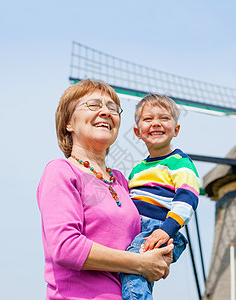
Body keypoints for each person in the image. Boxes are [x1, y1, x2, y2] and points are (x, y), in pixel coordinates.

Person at [37, 80, 174, 300]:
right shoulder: (62, 172)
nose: (105, 112)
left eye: (112, 108)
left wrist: (161, 253)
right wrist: (140, 264)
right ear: (68, 123)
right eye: (93, 105)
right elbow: (66, 247)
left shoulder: (122, 180)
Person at [120, 94, 200, 300]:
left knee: (133, 268)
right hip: (139, 229)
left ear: (176, 129)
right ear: (137, 132)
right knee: (133, 271)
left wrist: (167, 230)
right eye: (148, 119)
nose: (156, 123)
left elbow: (187, 198)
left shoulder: (180, 163)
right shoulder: (137, 169)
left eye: (164, 118)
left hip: (159, 228)